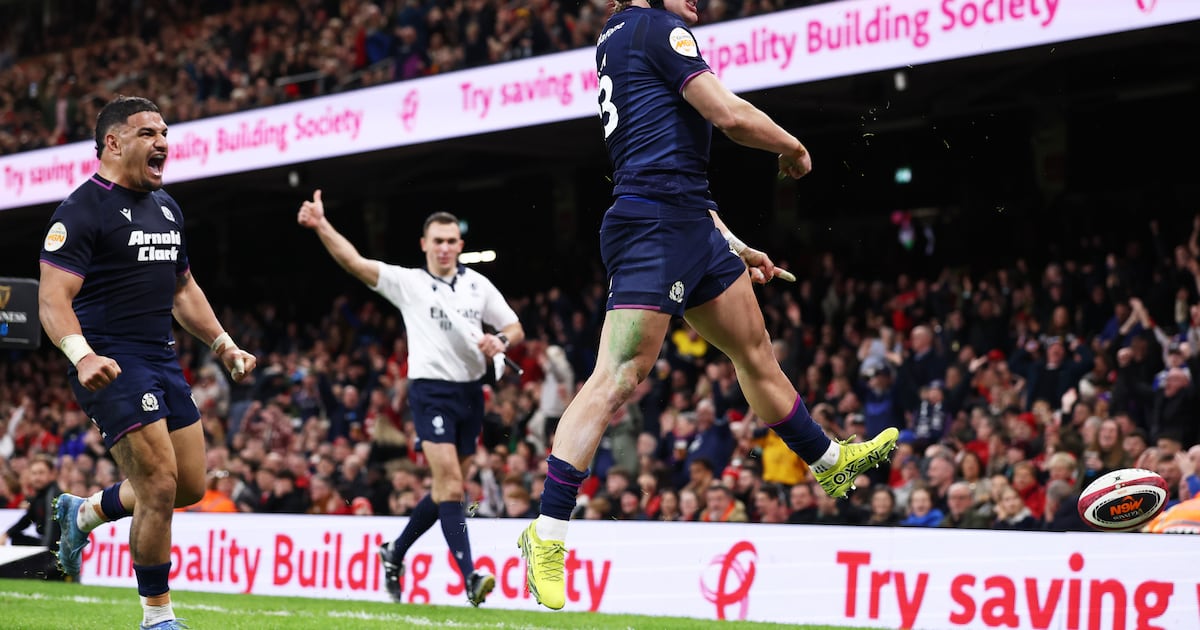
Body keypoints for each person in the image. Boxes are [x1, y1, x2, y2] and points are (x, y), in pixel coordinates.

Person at [517, 0, 898, 611]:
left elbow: (665, 156)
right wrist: (794, 148)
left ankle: (829, 460)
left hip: (691, 222)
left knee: (755, 355)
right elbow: (727, 115)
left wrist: (735, 244)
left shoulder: (622, 34)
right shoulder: (658, 28)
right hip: (654, 227)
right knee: (617, 377)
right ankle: (547, 534)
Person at [39, 95, 257, 630]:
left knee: (188, 487)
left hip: (162, 357)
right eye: (148, 133)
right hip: (109, 361)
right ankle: (157, 617)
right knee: (158, 485)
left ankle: (84, 512)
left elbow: (183, 288)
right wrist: (81, 353)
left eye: (165, 132)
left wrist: (223, 342)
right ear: (113, 143)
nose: (163, 142)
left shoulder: (167, 208)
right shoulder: (80, 209)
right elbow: (52, 299)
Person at [297, 189, 523, 607]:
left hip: (471, 393)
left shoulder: (478, 285)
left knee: (445, 490)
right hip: (430, 391)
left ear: (460, 244)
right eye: (437, 240)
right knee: (452, 485)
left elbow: (514, 326)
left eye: (451, 240)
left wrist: (501, 340)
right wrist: (322, 225)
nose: (444, 247)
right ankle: (470, 577)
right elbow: (355, 263)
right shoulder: (410, 283)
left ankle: (395, 551)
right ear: (424, 244)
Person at [1, 455, 61, 549]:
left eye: (41, 473)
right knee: (16, 538)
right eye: (34, 473)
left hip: (56, 549)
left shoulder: (54, 495)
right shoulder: (41, 495)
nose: (37, 478)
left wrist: (46, 555)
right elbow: (27, 519)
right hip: (47, 543)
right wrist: (7, 534)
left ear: (52, 474)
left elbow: (53, 531)